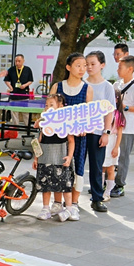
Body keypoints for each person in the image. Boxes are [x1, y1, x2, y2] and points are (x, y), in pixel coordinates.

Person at [49, 53, 93, 220]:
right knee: (57, 166)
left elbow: (88, 115)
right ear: (68, 67)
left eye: (84, 66)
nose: (82, 69)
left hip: (78, 138)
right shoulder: (57, 87)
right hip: (58, 137)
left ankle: (73, 204)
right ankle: (57, 202)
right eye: (78, 65)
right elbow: (49, 110)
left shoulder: (87, 89)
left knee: (77, 168)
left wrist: (83, 127)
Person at [34, 94, 75, 222]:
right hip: (45, 157)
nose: (48, 108)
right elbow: (38, 141)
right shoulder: (43, 122)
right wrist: (36, 158)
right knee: (45, 185)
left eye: (51, 105)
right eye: (46, 105)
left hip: (61, 157)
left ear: (60, 106)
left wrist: (69, 157)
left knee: (64, 184)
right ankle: (46, 209)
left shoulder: (66, 122)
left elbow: (71, 141)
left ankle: (69, 209)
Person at [84, 51, 116, 212]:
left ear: (102, 65)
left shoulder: (107, 87)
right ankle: (71, 200)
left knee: (97, 167)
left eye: (93, 64)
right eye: (87, 64)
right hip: (79, 132)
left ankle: (97, 198)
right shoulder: (81, 83)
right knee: (76, 165)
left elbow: (110, 111)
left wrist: (106, 132)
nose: (89, 67)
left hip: (97, 132)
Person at [110, 55, 134, 197]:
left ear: (130, 69)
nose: (117, 70)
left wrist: (125, 107)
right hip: (113, 126)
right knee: (110, 154)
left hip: (127, 128)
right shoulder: (116, 85)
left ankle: (120, 184)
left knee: (123, 157)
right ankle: (108, 182)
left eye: (120, 67)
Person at [103, 90, 125, 201]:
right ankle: (100, 190)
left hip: (112, 141)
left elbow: (119, 133)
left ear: (117, 99)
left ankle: (107, 192)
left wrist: (116, 147)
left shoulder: (118, 114)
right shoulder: (103, 111)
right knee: (101, 168)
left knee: (110, 169)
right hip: (103, 140)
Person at [3, 54, 34, 124]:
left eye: (19, 61)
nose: (17, 63)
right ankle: (15, 127)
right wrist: (10, 87)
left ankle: (27, 127)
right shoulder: (11, 69)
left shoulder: (27, 69)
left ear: (23, 61)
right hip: (14, 95)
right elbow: (6, 80)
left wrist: (25, 85)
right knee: (14, 113)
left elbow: (31, 80)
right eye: (16, 61)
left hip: (24, 95)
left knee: (26, 113)